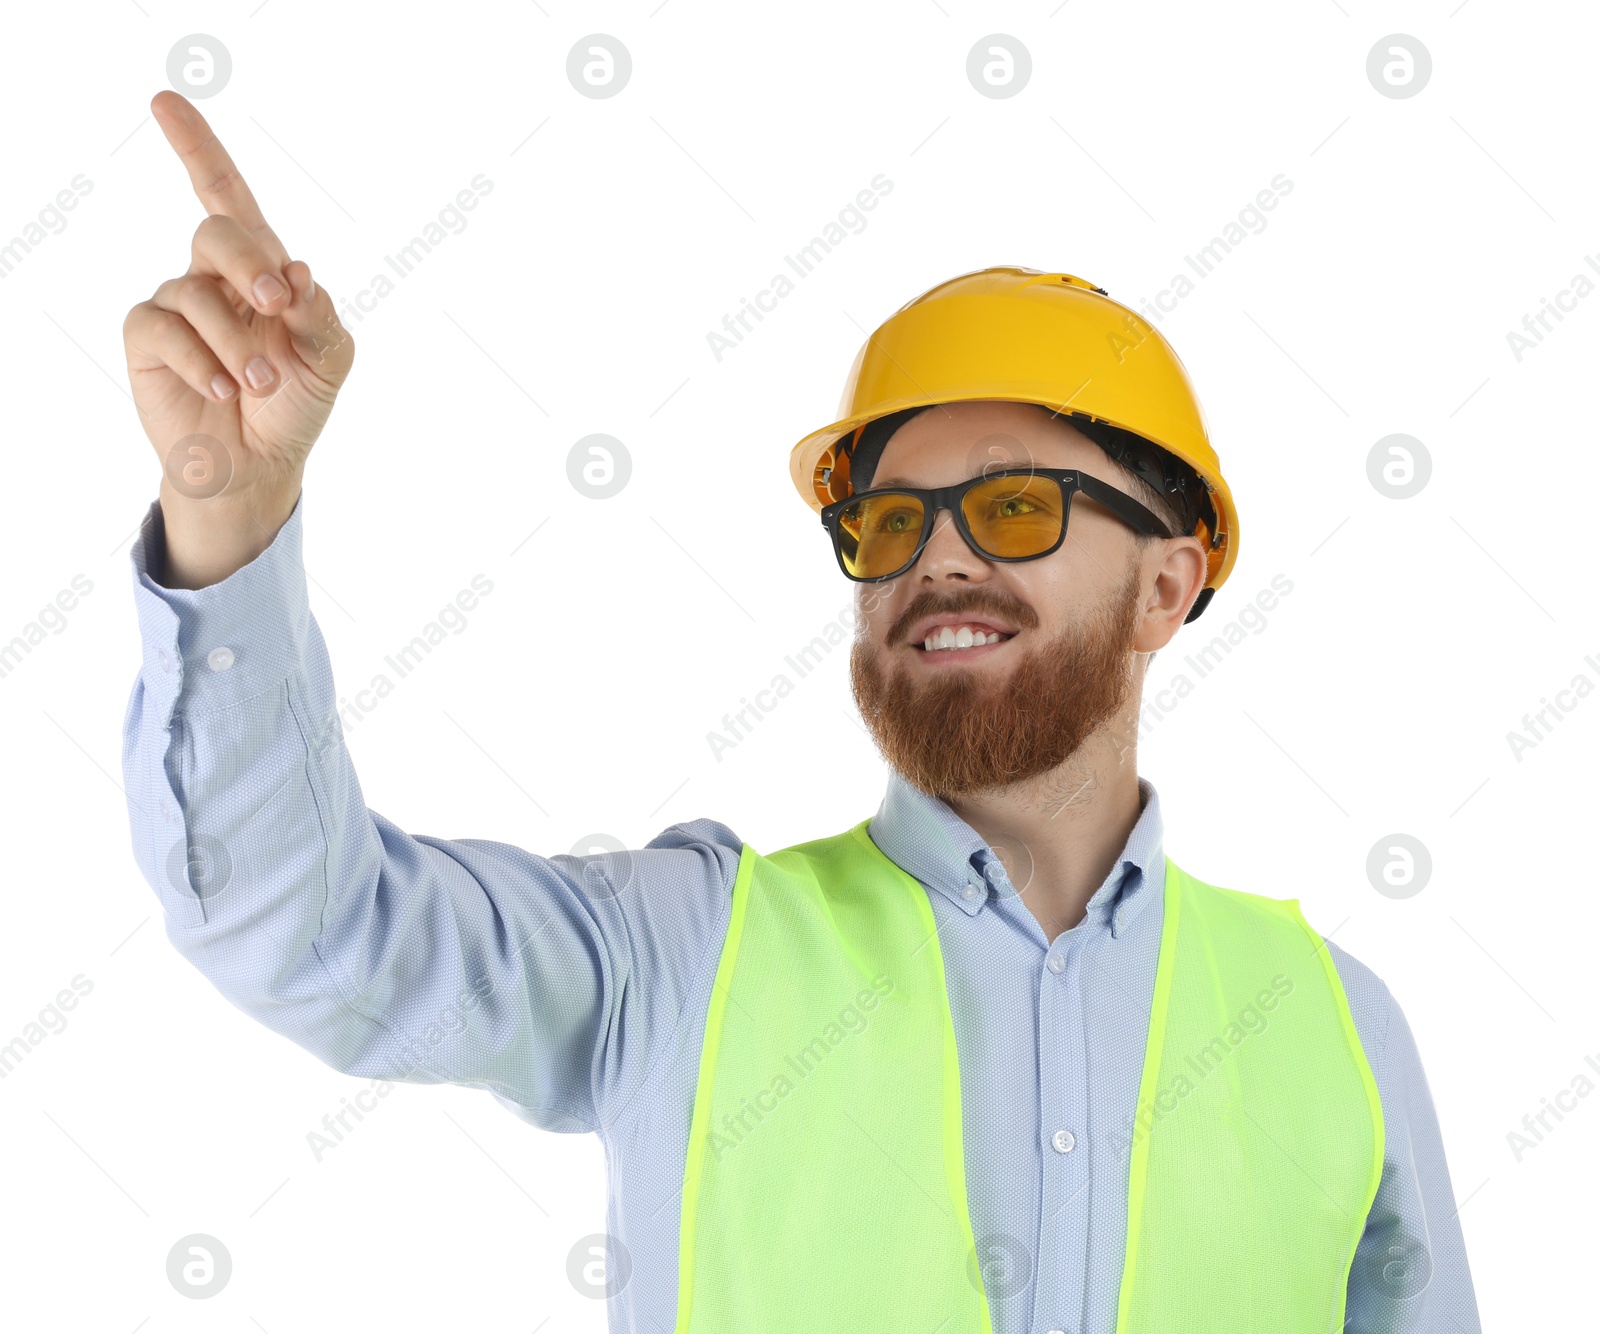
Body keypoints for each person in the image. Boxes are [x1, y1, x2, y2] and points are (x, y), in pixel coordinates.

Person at [120, 90, 1482, 1333]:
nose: (940, 556)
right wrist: (228, 515)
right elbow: (297, 928)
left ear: (1167, 583)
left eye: (1016, 505)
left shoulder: (1338, 1030)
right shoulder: (683, 952)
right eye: (891, 521)